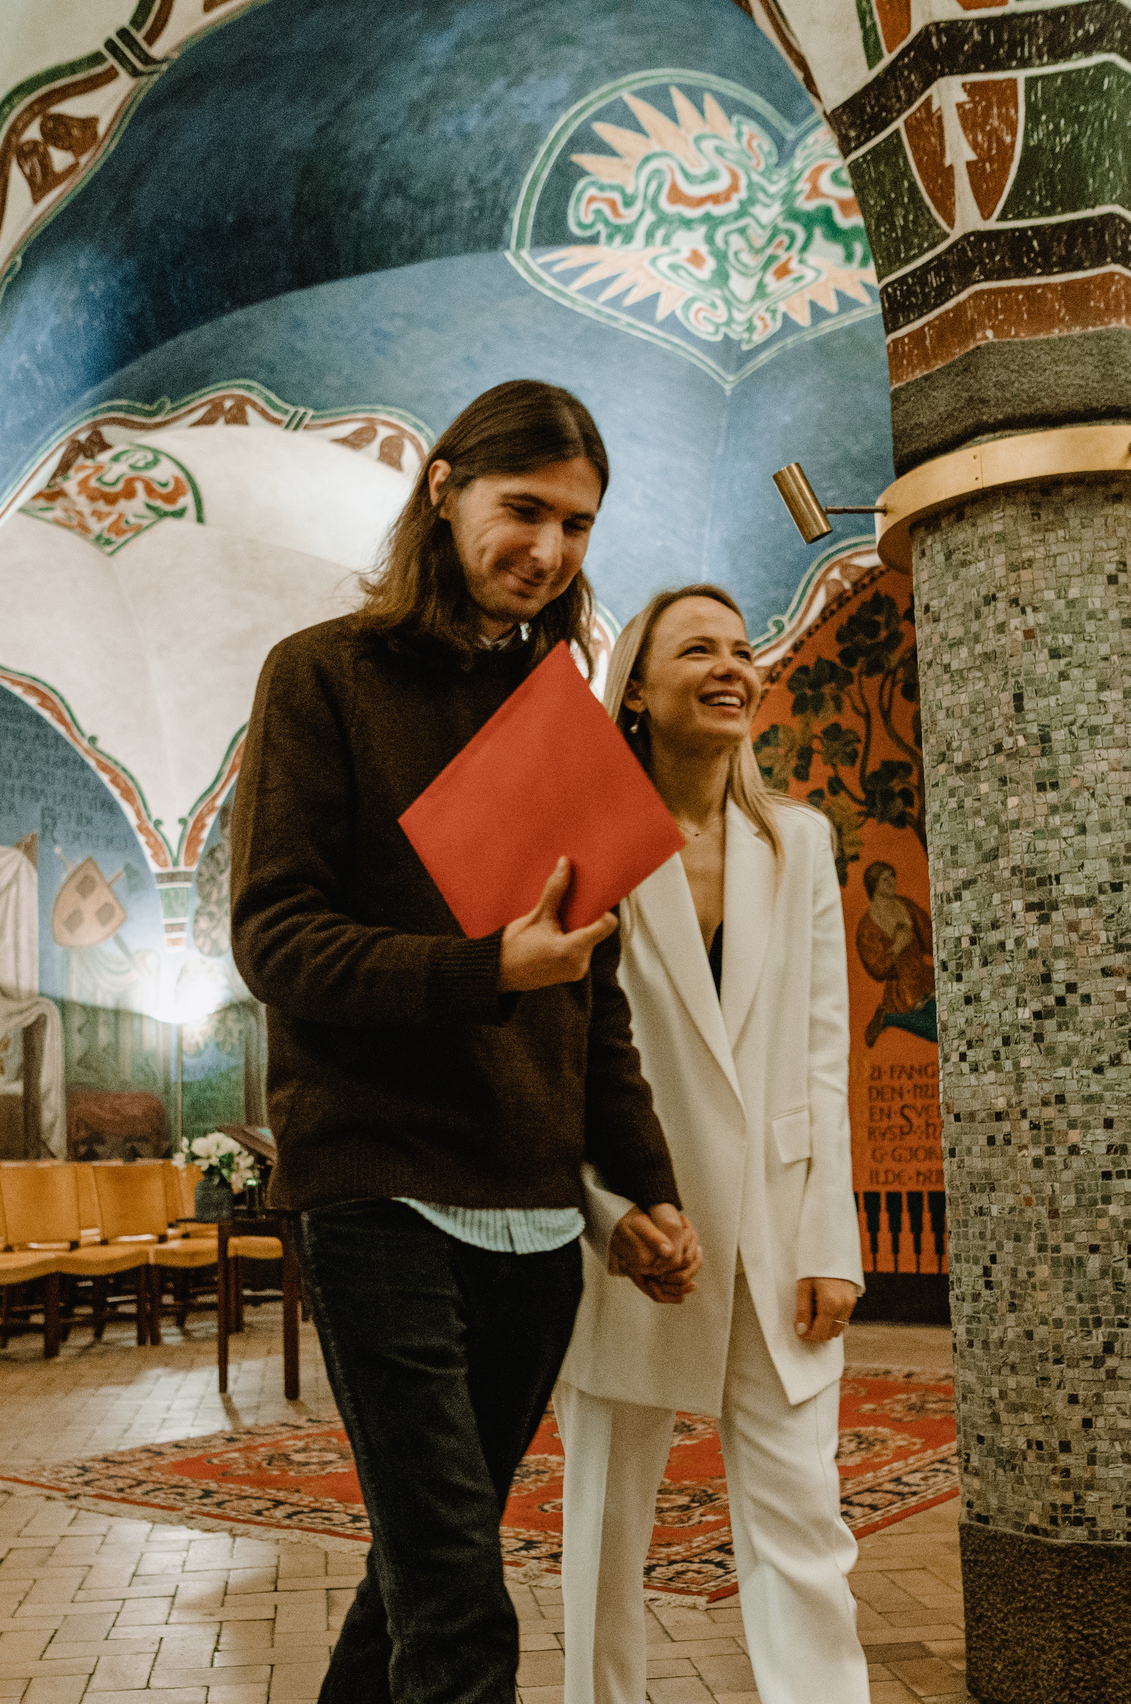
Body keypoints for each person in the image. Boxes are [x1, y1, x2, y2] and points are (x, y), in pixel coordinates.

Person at [229, 379, 703, 1704]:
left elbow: (590, 996)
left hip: (534, 1225)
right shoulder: (321, 677)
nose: (550, 551)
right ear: (443, 490)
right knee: (461, 1611)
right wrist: (483, 967)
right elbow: (276, 943)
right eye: (525, 509)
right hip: (379, 1194)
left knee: (416, 1582)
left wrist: (644, 1184)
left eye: (580, 525)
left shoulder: (564, 719)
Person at [559, 584, 869, 1704]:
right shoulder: (582, 842)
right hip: (636, 1227)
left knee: (804, 1521)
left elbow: (824, 1053)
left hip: (778, 1235)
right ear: (635, 688)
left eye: (744, 650)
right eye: (699, 650)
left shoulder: (797, 843)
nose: (734, 666)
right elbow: (556, 1054)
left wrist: (831, 1238)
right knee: (602, 1525)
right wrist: (609, 1215)